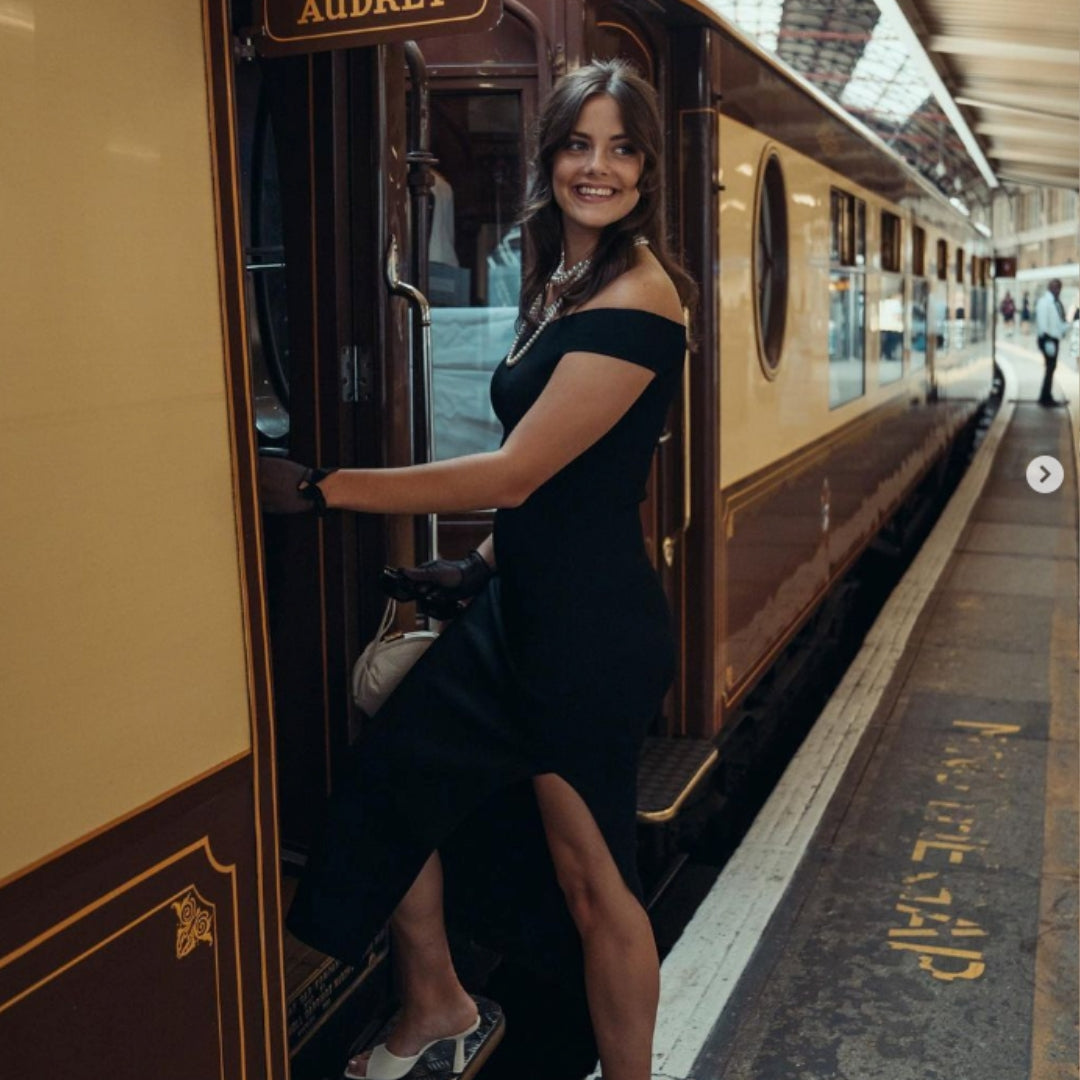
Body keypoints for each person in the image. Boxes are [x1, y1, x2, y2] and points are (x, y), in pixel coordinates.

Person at [259, 59, 696, 1080]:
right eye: (580, 143)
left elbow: (519, 466)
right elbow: (556, 488)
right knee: (390, 779)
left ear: (646, 170)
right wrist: (486, 560)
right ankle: (437, 1002)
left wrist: (323, 487)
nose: (600, 166)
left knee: (594, 885)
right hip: (522, 607)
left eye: (623, 147)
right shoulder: (561, 282)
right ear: (549, 157)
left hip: (585, 635)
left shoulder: (642, 295)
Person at [1035, 278, 1070, 406]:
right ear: (1049, 288)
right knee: (1050, 368)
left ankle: (1046, 396)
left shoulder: (1056, 303)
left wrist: (1068, 326)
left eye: (1059, 287)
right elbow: (1042, 322)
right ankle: (1045, 398)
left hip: (1053, 339)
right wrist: (1047, 340)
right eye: (1055, 287)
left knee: (1051, 368)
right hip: (1047, 340)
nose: (1057, 290)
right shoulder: (1045, 302)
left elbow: (1059, 323)